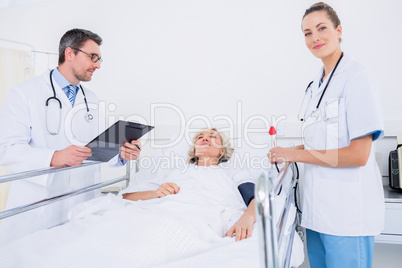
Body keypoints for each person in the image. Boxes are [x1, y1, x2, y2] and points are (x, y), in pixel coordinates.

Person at [268, 3, 384, 267]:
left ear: (338, 30)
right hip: (316, 210)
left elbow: (358, 155)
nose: (314, 38)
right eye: (307, 33)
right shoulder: (315, 85)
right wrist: (290, 152)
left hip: (347, 213)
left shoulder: (357, 78)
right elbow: (322, 140)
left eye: (321, 28)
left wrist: (295, 154)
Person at [0, 28, 141, 243]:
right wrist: (54, 157)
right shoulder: (25, 93)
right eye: (93, 57)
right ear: (69, 53)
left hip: (82, 202)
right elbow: (6, 150)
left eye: (100, 59)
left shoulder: (91, 99)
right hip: (39, 206)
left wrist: (122, 153)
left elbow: (98, 146)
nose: (98, 65)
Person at [122, 128, 257, 241]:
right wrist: (155, 193)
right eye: (200, 137)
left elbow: (256, 198)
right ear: (194, 149)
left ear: (221, 150)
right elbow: (126, 197)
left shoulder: (231, 171)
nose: (204, 139)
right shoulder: (175, 173)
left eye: (212, 137)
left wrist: (248, 217)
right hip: (164, 215)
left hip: (206, 220)